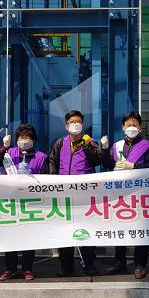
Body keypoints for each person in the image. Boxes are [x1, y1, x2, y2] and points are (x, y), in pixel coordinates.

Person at [100, 110, 149, 279]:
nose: (131, 128)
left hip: (140, 194)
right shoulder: (117, 146)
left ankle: (140, 264)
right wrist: (105, 149)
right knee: (120, 228)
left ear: (140, 127)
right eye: (129, 125)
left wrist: (134, 166)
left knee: (140, 229)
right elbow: (108, 165)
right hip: (119, 194)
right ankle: (119, 262)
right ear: (123, 127)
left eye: (135, 125)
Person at [49, 110, 102, 276]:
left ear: (82, 125)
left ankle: (89, 264)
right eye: (72, 122)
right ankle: (66, 266)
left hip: (84, 194)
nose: (75, 124)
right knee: (65, 229)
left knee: (86, 229)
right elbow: (52, 163)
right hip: (64, 193)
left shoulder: (90, 142)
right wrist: (54, 184)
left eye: (78, 122)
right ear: (66, 126)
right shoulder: (60, 143)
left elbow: (97, 160)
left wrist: (86, 146)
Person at [0, 124, 48, 281]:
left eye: (27, 138)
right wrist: (3, 148)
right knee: (10, 236)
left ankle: (27, 269)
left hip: (31, 202)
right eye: (21, 138)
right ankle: (10, 268)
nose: (24, 141)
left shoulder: (41, 157)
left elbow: (47, 178)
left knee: (29, 237)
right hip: (10, 202)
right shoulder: (9, 154)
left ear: (33, 140)